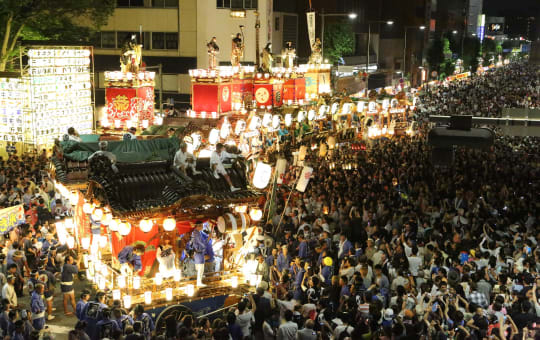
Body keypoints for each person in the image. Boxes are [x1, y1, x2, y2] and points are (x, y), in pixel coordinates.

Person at [192, 222, 208, 287]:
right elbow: (200, 242)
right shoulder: (196, 233)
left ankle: (199, 280)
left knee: (199, 268)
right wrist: (207, 240)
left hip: (198, 252)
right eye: (201, 226)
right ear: (198, 226)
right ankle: (199, 282)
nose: (202, 227)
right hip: (199, 252)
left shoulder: (196, 232)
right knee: (200, 268)